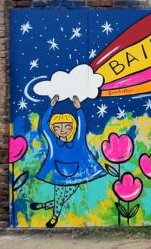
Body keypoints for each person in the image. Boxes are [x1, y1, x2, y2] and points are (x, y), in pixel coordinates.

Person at [30, 95, 105, 227]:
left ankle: (45, 205)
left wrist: (79, 109)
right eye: (58, 127)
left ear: (73, 127)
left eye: (67, 126)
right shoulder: (53, 141)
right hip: (58, 172)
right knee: (60, 195)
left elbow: (83, 125)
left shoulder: (78, 140)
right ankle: (55, 217)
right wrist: (51, 107)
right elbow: (44, 126)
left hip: (78, 173)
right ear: (53, 128)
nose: (62, 129)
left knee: (65, 196)